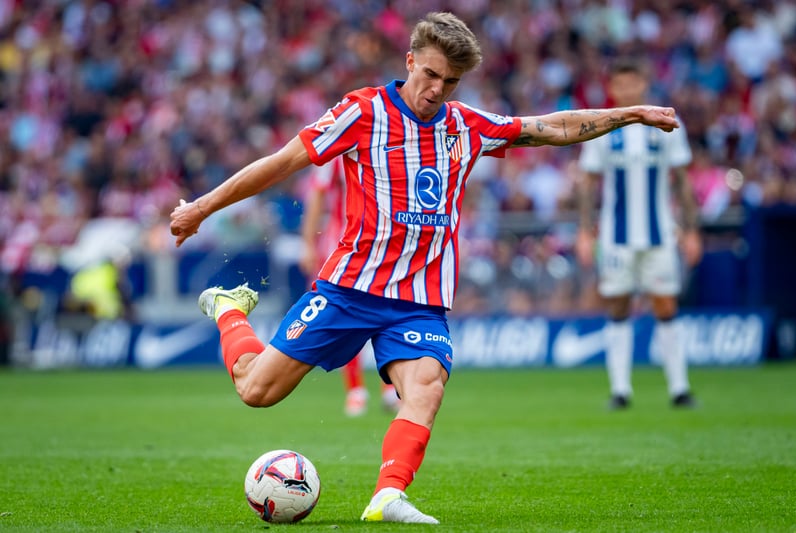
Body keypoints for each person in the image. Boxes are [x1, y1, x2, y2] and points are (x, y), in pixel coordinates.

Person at [170, 12, 681, 524]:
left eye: (450, 81)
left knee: (426, 387)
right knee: (257, 391)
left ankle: (388, 496)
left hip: (419, 301)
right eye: (430, 75)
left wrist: (632, 113)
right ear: (410, 61)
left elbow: (550, 128)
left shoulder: (467, 125)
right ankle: (229, 310)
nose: (437, 89)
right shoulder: (362, 111)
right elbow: (282, 162)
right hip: (350, 289)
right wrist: (202, 207)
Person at [575, 57, 702, 410]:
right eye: (620, 83)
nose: (628, 88)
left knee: (665, 304)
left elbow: (682, 180)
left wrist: (691, 230)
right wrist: (585, 231)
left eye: (633, 81)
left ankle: (679, 389)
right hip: (616, 237)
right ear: (612, 88)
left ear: (644, 83)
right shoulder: (601, 125)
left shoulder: (666, 121)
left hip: (660, 233)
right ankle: (620, 391)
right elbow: (588, 183)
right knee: (618, 305)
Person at [298, 157, 400, 417]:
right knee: (349, 312)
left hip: (381, 245)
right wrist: (308, 243)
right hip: (344, 245)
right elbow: (318, 194)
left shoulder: (389, 145)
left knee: (385, 309)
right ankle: (355, 389)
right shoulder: (336, 152)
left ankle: (389, 387)